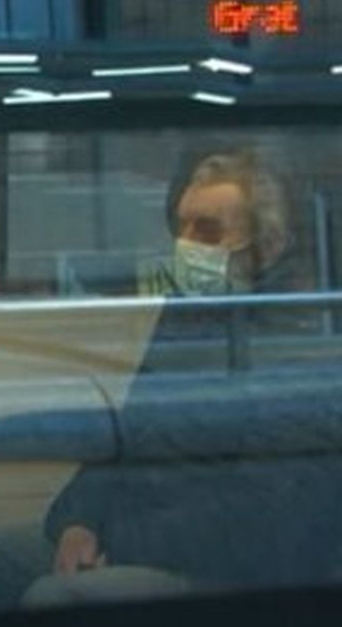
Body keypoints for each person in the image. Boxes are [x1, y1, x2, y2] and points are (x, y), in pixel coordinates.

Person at [29, 148, 319, 603]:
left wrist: (117, 541)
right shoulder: (186, 318)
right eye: (180, 228)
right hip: (128, 532)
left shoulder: (290, 340)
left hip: (209, 570)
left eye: (207, 230)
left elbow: (258, 513)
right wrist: (77, 522)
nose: (186, 245)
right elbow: (122, 443)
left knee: (53, 599)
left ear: (268, 245)